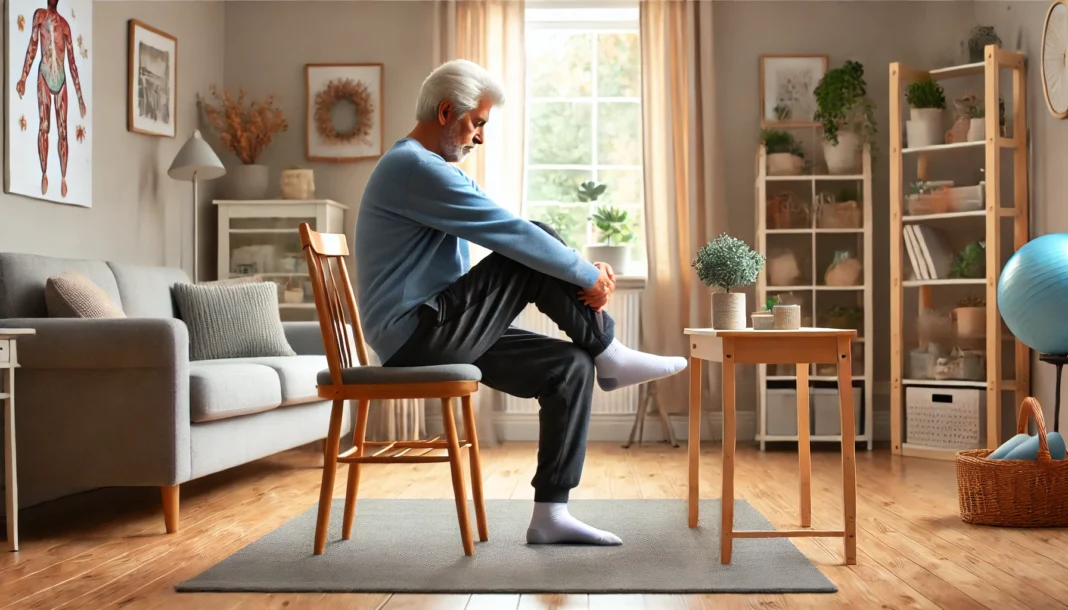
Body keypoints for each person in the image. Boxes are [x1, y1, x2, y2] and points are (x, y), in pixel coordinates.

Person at [354, 59, 687, 546]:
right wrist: (589, 273)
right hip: (417, 334)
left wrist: (581, 272)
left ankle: (551, 513)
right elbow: (512, 233)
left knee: (570, 366)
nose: (480, 137)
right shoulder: (414, 168)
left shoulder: (425, 168)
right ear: (448, 111)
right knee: (531, 241)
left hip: (437, 329)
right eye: (478, 123)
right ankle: (610, 351)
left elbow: (505, 234)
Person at [16, 0, 87, 198]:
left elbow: (72, 62)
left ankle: (63, 178)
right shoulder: (39, 16)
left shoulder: (65, 26)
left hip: (61, 80)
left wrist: (80, 97)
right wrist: (23, 77)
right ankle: (44, 174)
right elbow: (32, 46)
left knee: (63, 131)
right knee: (44, 127)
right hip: (44, 77)